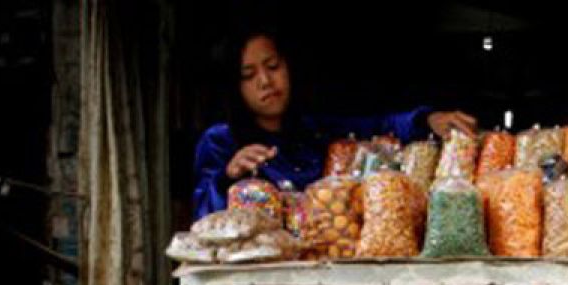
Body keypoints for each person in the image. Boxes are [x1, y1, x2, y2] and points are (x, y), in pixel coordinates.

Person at [193, 28, 476, 219]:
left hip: (327, 274)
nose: (266, 81)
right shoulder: (221, 141)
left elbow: (380, 124)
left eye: (273, 66)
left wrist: (427, 120)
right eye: (248, 74)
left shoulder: (314, 130)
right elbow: (203, 219)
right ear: (233, 86)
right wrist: (228, 178)